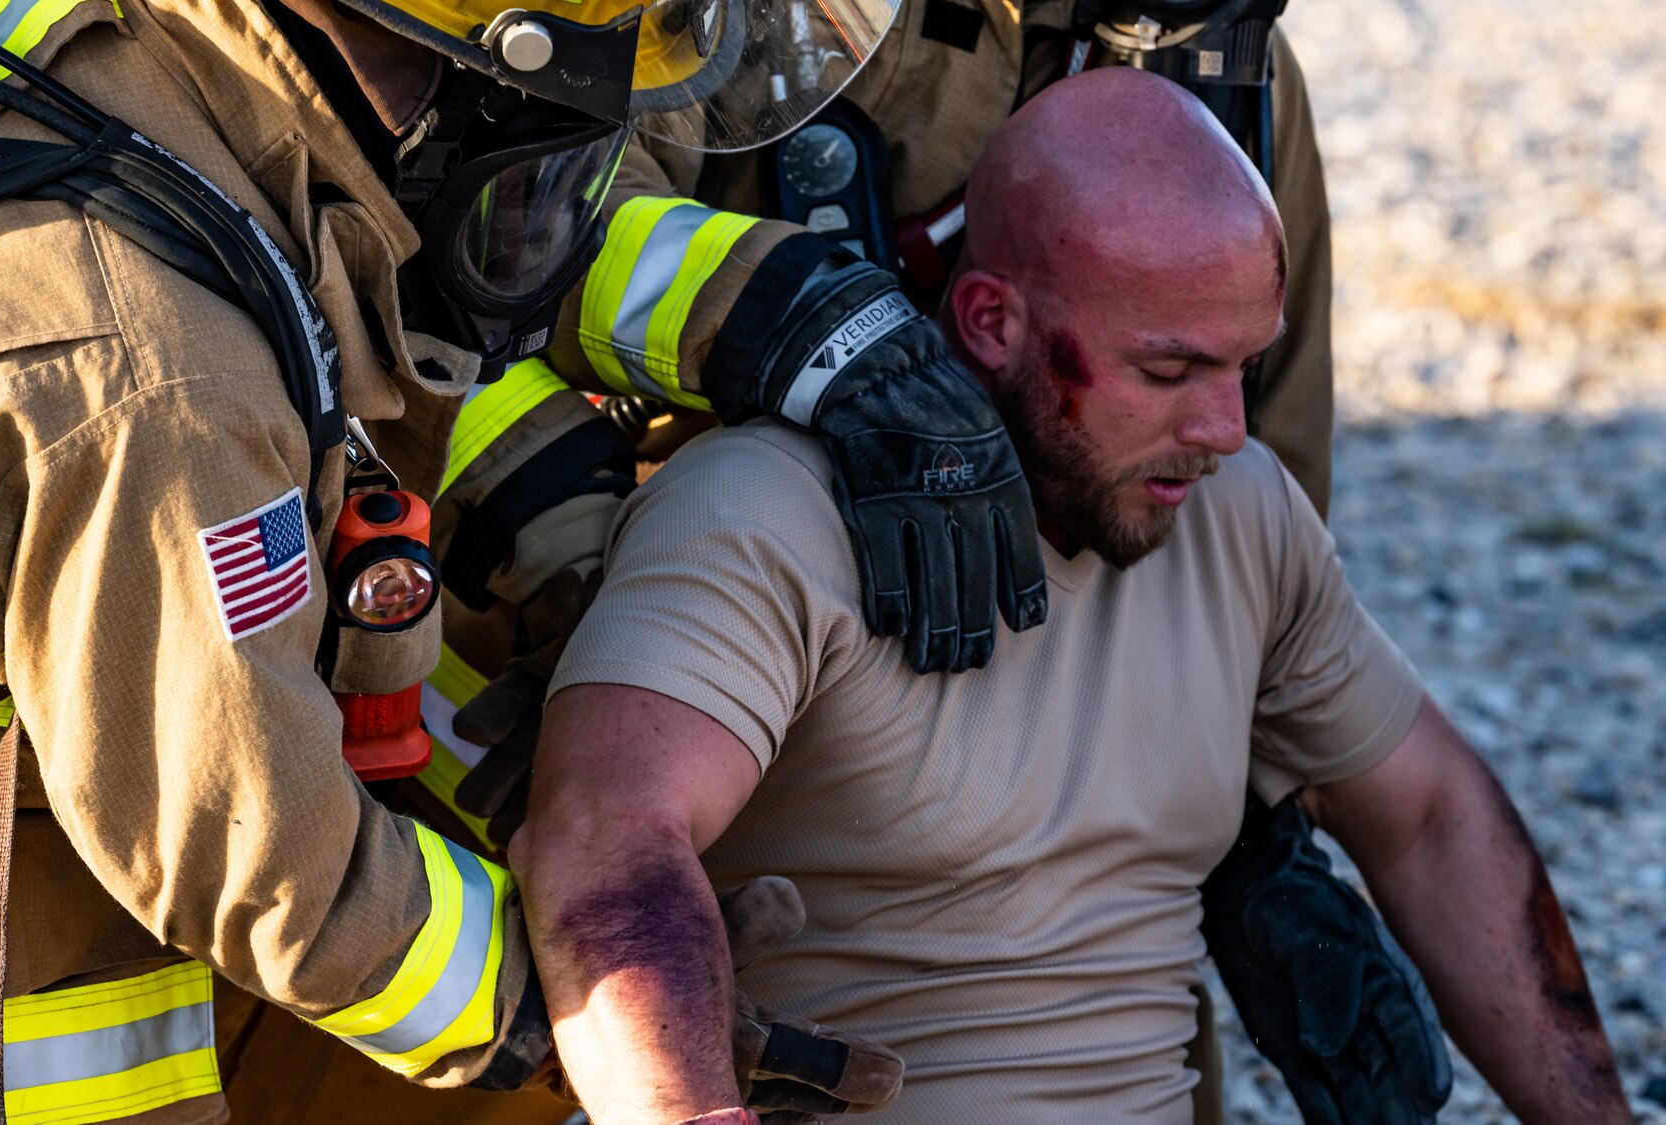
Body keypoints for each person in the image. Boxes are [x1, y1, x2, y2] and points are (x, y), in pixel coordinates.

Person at [0, 0, 914, 1122]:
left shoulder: (116, 67)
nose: (548, 201)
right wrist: (568, 1004)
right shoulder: (149, 385)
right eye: (541, 145)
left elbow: (355, 318)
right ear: (426, 78)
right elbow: (261, 860)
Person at [507, 68, 1635, 1124]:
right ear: (991, 321)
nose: (1225, 429)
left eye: (1243, 367)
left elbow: (1432, 820)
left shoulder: (1235, 507)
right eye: (1166, 371)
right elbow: (605, 840)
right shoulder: (765, 512)